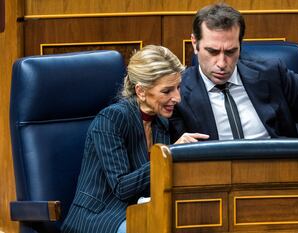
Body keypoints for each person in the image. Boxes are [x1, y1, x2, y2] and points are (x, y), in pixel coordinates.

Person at [61, 45, 208, 233]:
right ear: (141, 91)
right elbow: (122, 188)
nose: (177, 98)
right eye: (167, 91)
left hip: (142, 209)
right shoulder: (111, 119)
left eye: (178, 88)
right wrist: (167, 156)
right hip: (100, 217)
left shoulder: (161, 122)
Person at [169, 3, 298, 141]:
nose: (222, 63)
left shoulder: (270, 74)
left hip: (278, 176)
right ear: (195, 43)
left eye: (231, 52)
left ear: (240, 44)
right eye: (213, 52)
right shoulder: (177, 93)